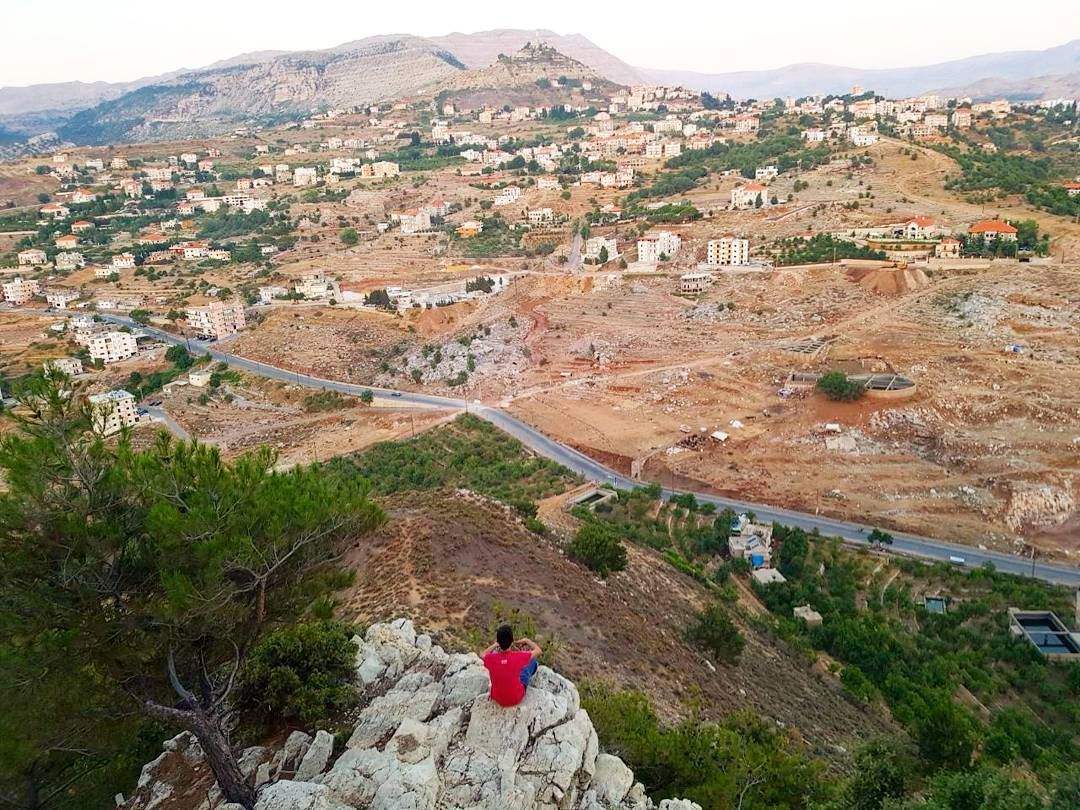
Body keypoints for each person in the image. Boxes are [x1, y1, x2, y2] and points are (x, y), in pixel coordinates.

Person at [481, 624, 542, 707]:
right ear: (512, 640)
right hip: (516, 698)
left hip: (497, 697)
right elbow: (538, 650)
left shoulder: (491, 659)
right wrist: (527, 641)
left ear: (498, 641)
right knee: (532, 662)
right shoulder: (518, 656)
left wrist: (496, 644)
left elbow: (483, 654)